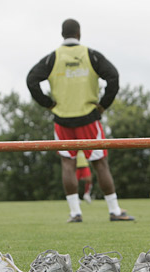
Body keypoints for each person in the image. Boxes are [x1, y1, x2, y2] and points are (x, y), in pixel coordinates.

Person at [27, 18, 134, 222]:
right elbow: (113, 76)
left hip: (62, 119)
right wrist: (103, 104)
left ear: (62, 34)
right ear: (79, 33)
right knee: (100, 164)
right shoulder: (90, 55)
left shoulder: (53, 58)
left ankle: (75, 213)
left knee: (68, 164)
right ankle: (114, 211)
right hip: (88, 119)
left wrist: (48, 103)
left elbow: (31, 80)